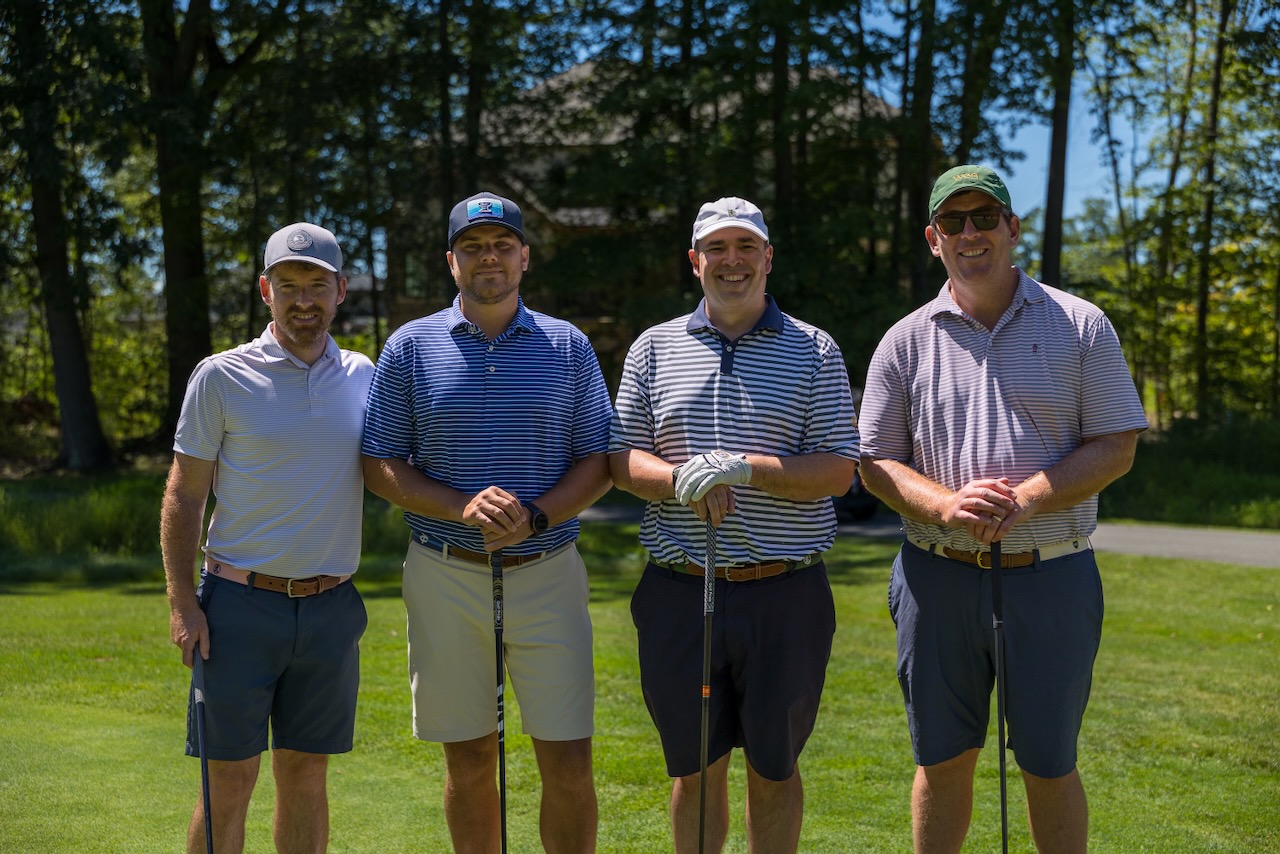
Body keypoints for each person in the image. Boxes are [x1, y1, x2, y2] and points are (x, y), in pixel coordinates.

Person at [857, 165, 1149, 854]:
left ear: (1013, 228)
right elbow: (873, 461)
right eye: (953, 222)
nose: (970, 233)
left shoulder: (1080, 323)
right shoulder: (904, 339)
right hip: (936, 575)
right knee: (940, 759)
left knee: (1049, 762)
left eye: (985, 217)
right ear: (933, 239)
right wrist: (945, 505)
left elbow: (1118, 444)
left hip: (1051, 574)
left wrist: (1028, 498)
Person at [360, 191, 612, 853]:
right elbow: (379, 462)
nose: (488, 257)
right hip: (446, 571)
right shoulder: (410, 347)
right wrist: (460, 507)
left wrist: (537, 515)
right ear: (452, 261)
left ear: (524, 257)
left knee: (569, 760)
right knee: (469, 759)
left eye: (502, 245)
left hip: (547, 569)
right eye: (472, 247)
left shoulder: (568, 345)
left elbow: (599, 459)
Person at [608, 197, 859, 853]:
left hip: (786, 594)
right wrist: (680, 481)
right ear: (694, 261)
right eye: (716, 248)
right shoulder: (653, 347)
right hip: (679, 590)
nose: (732, 260)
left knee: (775, 769)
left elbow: (838, 469)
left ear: (768, 258)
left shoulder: (815, 349)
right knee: (694, 770)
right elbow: (621, 458)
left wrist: (745, 468)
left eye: (746, 246)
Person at [161, 222, 374, 853]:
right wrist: (183, 604)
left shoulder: (364, 374)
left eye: (317, 285)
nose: (304, 300)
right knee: (228, 781)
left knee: (306, 775)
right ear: (265, 290)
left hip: (331, 607)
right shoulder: (221, 376)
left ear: (341, 291)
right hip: (238, 608)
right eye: (289, 285)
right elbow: (184, 495)